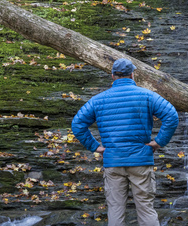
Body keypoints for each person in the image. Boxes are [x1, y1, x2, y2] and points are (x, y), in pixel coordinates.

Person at [72, 58, 179, 226]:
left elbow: (77, 124)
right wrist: (158, 142)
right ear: (132, 75)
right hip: (141, 160)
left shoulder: (98, 100)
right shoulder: (147, 96)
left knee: (115, 209)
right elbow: (171, 116)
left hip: (113, 161)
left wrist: (96, 147)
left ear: (113, 76)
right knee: (145, 208)